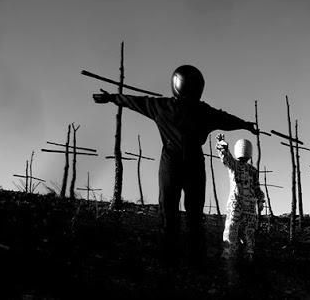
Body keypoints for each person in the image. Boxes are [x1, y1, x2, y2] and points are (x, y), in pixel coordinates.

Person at [93, 65, 257, 263]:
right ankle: (195, 258)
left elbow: (134, 101)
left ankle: (168, 256)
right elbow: (227, 119)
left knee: (169, 210)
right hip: (194, 163)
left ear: (176, 85)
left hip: (171, 162)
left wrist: (112, 97)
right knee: (194, 213)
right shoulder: (204, 111)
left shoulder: (162, 106)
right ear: (198, 88)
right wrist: (247, 125)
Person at [216, 133, 265, 261]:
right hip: (243, 206)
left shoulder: (249, 170)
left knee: (240, 232)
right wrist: (222, 147)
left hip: (240, 206)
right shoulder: (237, 166)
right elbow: (226, 158)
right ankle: (239, 256)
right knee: (240, 231)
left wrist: (260, 200)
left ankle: (235, 256)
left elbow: (256, 188)